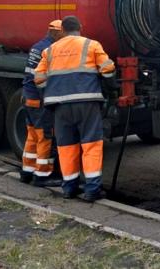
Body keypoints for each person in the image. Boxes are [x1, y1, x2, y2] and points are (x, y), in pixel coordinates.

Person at [34, 15, 116, 201]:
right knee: (91, 144)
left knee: (66, 147)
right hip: (87, 102)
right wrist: (111, 88)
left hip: (60, 106)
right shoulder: (91, 45)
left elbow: (38, 79)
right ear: (80, 27)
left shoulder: (50, 50)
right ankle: (91, 190)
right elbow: (108, 69)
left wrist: (50, 94)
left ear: (62, 30)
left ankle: (70, 188)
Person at [20, 20, 64, 187]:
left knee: (32, 137)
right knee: (46, 137)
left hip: (28, 97)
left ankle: (27, 171)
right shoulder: (50, 50)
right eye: (63, 33)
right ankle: (43, 175)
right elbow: (42, 81)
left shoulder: (37, 46)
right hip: (39, 101)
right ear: (57, 33)